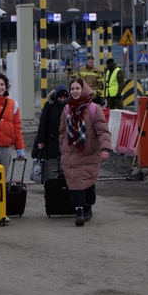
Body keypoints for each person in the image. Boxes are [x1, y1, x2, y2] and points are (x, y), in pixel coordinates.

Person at [59, 78, 111, 226]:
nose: (75, 91)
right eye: (72, 89)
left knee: (87, 181)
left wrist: (105, 148)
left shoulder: (94, 109)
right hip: (70, 153)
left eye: (78, 88)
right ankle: (79, 210)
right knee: (74, 181)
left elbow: (102, 130)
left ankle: (87, 205)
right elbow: (62, 131)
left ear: (84, 90)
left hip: (88, 153)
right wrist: (61, 146)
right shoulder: (67, 109)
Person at [31, 84, 69, 161]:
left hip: (64, 140)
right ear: (55, 96)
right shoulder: (49, 105)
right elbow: (43, 123)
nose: (62, 100)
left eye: (64, 98)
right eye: (60, 97)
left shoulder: (69, 106)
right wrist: (40, 140)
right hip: (50, 140)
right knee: (51, 164)